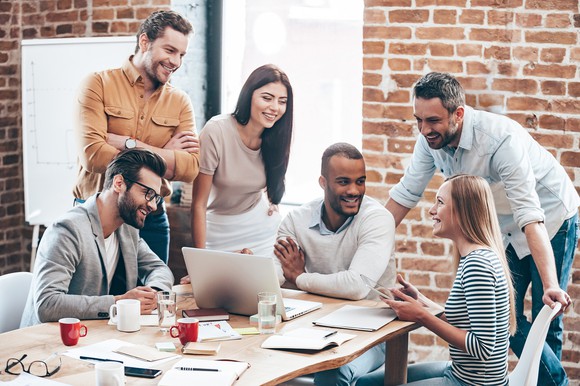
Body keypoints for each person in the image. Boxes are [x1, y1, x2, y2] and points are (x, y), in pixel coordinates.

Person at [385, 72, 578, 386]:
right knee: (501, 312)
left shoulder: (500, 140)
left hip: (550, 220)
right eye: (418, 120)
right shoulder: (429, 139)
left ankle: (554, 382)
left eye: (432, 120)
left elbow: (531, 216)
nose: (424, 129)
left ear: (458, 114)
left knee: (548, 313)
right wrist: (367, 245)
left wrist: (551, 285)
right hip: (504, 227)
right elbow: (406, 193)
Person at [358, 174, 515, 386]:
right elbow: (464, 322)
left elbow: (483, 348)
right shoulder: (478, 256)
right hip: (460, 373)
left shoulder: (478, 264)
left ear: (463, 211)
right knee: (366, 383)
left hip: (473, 383)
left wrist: (421, 316)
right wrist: (421, 300)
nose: (432, 210)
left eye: (440, 203)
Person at [74, 10, 200, 264]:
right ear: (145, 42)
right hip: (97, 212)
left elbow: (190, 168)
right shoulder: (97, 84)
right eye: (170, 50)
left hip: (150, 215)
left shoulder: (180, 102)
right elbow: (94, 156)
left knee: (153, 294)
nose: (176, 61)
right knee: (96, 296)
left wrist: (129, 144)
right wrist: (165, 154)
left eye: (182, 55)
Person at [273, 142, 396, 386]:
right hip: (310, 325)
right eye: (343, 182)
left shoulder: (377, 219)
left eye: (360, 181)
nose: (354, 190)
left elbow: (357, 286)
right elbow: (273, 276)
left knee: (335, 371)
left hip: (373, 332)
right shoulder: (296, 220)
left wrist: (299, 278)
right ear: (323, 183)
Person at [21, 149, 174, 327]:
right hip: (46, 342)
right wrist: (118, 303)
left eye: (156, 197)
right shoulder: (67, 230)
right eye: (147, 193)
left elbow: (159, 269)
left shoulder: (127, 229)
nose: (153, 206)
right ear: (119, 183)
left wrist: (152, 294)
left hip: (92, 337)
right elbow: (47, 304)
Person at [187, 64, 292, 265]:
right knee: (217, 288)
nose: (275, 108)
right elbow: (198, 205)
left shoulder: (277, 137)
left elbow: (274, 180)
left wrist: (272, 202)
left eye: (282, 101)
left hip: (260, 229)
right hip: (218, 229)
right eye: (267, 98)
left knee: (264, 289)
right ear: (249, 95)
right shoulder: (216, 131)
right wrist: (198, 262)